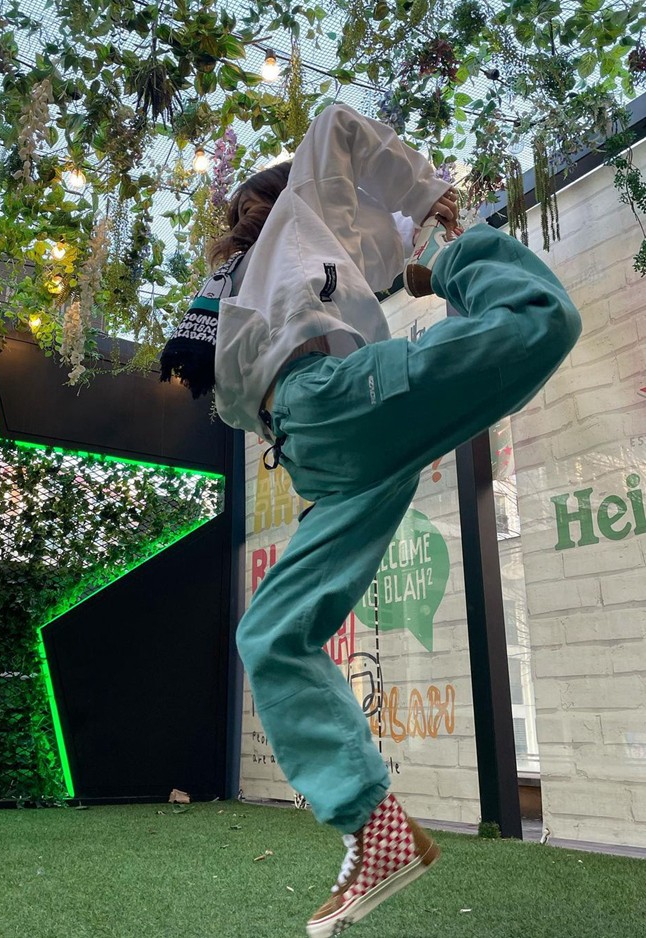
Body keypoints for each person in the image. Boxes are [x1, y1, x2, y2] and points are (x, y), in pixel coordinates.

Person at [161, 103, 581, 937]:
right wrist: (414, 223)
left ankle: (467, 256)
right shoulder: (273, 254)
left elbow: (338, 127)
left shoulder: (296, 227)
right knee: (271, 635)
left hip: (333, 407)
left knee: (541, 319)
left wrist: (428, 211)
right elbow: (357, 208)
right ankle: (374, 826)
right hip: (323, 447)